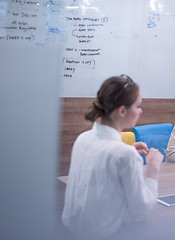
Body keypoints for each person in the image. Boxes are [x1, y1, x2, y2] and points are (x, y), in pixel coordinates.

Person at [62, 75, 163, 239]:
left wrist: (127, 149)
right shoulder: (125, 155)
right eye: (138, 106)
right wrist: (153, 168)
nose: (141, 111)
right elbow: (141, 212)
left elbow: (102, 163)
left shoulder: (83, 138)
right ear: (122, 110)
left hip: (70, 231)